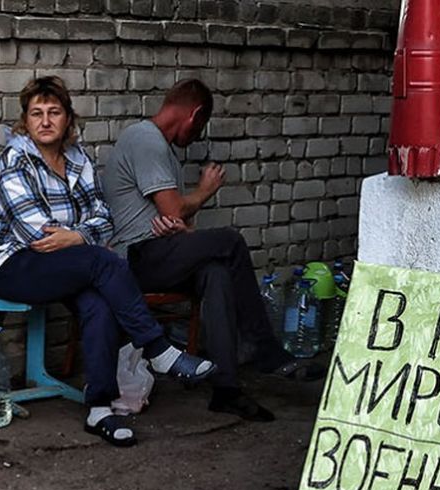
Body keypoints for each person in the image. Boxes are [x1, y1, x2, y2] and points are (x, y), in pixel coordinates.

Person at [0, 76, 217, 448]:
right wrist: (84, 238)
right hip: (14, 265)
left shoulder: (78, 159)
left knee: (99, 302)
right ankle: (158, 350)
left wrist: (77, 236)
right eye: (36, 113)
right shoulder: (14, 161)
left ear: (67, 119)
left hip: (70, 261)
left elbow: (104, 217)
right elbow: (37, 236)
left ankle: (99, 408)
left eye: (54, 112)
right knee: (102, 263)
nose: (45, 121)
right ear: (24, 121)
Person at [101, 78, 321, 424]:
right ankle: (265, 350)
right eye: (200, 127)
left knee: (216, 272)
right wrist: (204, 191)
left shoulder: (162, 149)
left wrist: (179, 226)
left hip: (161, 251)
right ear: (195, 114)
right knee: (229, 241)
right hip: (135, 258)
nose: (197, 136)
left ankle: (226, 389)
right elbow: (174, 209)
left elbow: (174, 220)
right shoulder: (144, 140)